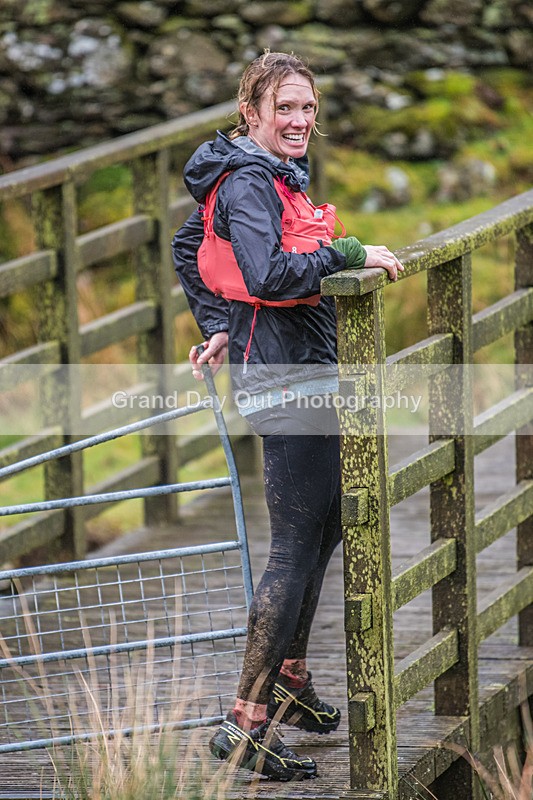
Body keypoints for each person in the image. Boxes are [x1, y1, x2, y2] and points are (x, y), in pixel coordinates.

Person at [172, 51, 403, 782]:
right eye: (285, 109)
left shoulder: (266, 173)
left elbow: (189, 245)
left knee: (327, 521)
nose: (300, 120)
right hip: (282, 378)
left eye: (307, 107)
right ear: (252, 113)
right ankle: (244, 720)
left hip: (297, 366)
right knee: (295, 545)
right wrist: (350, 253)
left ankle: (290, 678)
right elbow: (270, 273)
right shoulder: (248, 180)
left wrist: (215, 318)